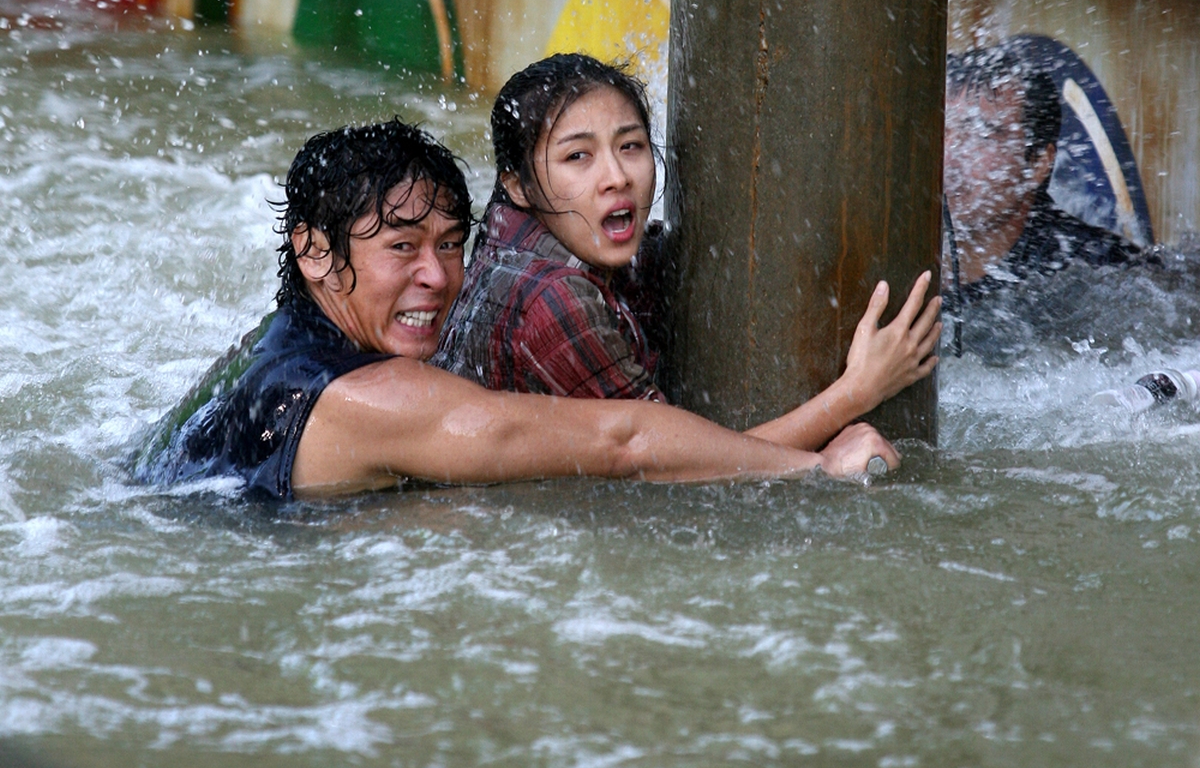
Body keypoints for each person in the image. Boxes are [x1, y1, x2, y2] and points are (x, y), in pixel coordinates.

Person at [135, 114, 935, 501]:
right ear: (313, 250)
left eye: (451, 244)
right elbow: (624, 444)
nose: (437, 275)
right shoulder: (378, 399)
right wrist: (829, 444)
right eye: (402, 247)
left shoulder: (275, 340)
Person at [434, 53, 941, 451]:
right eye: (578, 156)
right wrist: (857, 392)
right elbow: (676, 467)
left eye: (630, 146)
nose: (617, 177)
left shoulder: (509, 244)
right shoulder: (555, 301)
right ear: (518, 185)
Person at [943, 46, 1139, 307]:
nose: (948, 157)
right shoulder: (896, 248)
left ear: (1037, 164)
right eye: (943, 130)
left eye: (981, 135)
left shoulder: (1101, 273)